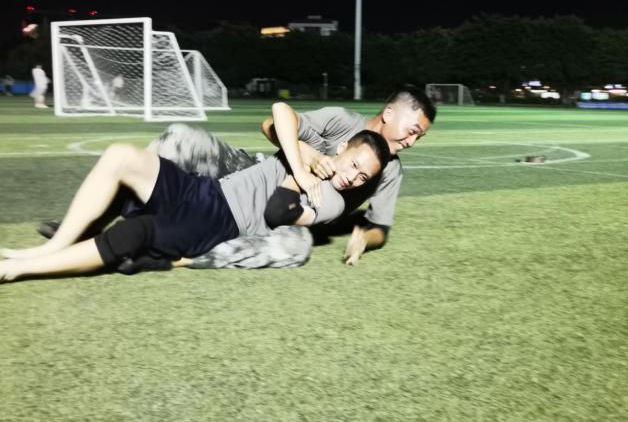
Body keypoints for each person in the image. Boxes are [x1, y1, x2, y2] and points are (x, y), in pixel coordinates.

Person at [38, 85, 436, 270]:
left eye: (419, 136)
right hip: (256, 169)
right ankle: (92, 223)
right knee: (180, 137)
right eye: (413, 130)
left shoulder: (391, 171)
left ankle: (177, 256)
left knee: (295, 249)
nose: (412, 140)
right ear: (389, 113)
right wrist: (307, 157)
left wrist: (364, 238)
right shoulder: (340, 121)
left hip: (290, 210)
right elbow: (271, 124)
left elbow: (380, 227)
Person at [0, 111, 390, 283]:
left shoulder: (334, 199)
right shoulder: (323, 154)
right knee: (122, 156)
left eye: (363, 177)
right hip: (206, 189)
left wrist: (299, 175)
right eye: (354, 164)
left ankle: (19, 267)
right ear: (342, 149)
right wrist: (307, 154)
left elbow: (278, 211)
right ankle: (56, 245)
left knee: (136, 233)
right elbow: (278, 113)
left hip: (218, 220)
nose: (352, 177)